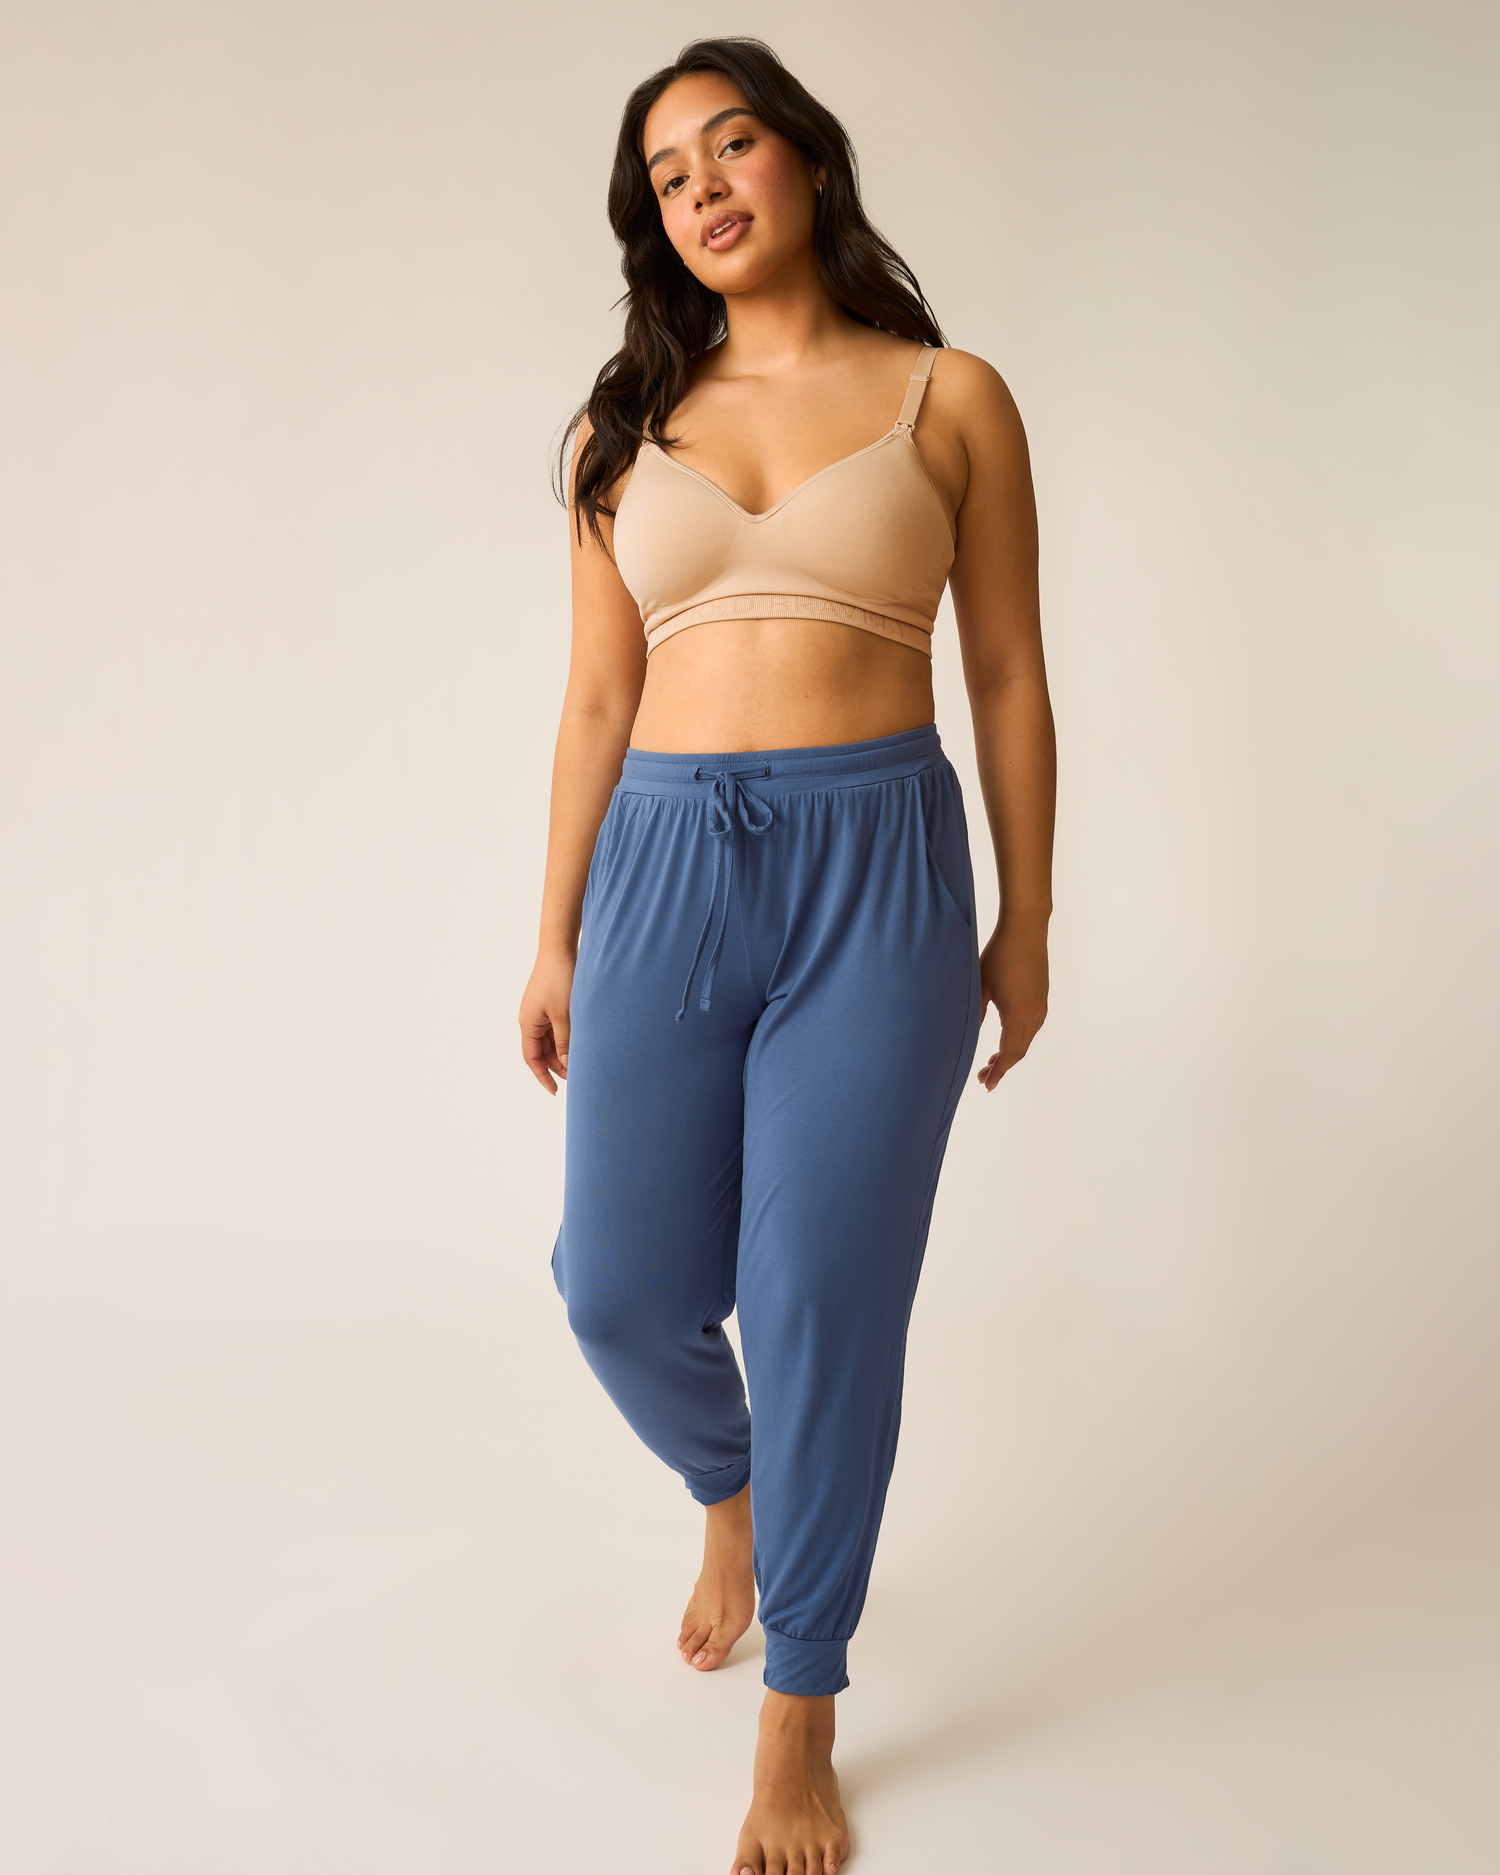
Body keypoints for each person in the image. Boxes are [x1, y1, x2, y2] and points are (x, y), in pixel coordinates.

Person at [519, 36, 1055, 1875]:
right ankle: (731, 1488)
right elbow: (597, 698)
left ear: (809, 159)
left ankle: (802, 1700)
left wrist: (1027, 918)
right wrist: (552, 929)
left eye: (730, 144)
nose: (704, 188)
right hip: (664, 865)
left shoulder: (948, 397)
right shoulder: (618, 431)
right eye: (668, 177)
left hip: (877, 866)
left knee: (822, 1294)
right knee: (616, 1285)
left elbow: (1006, 673)